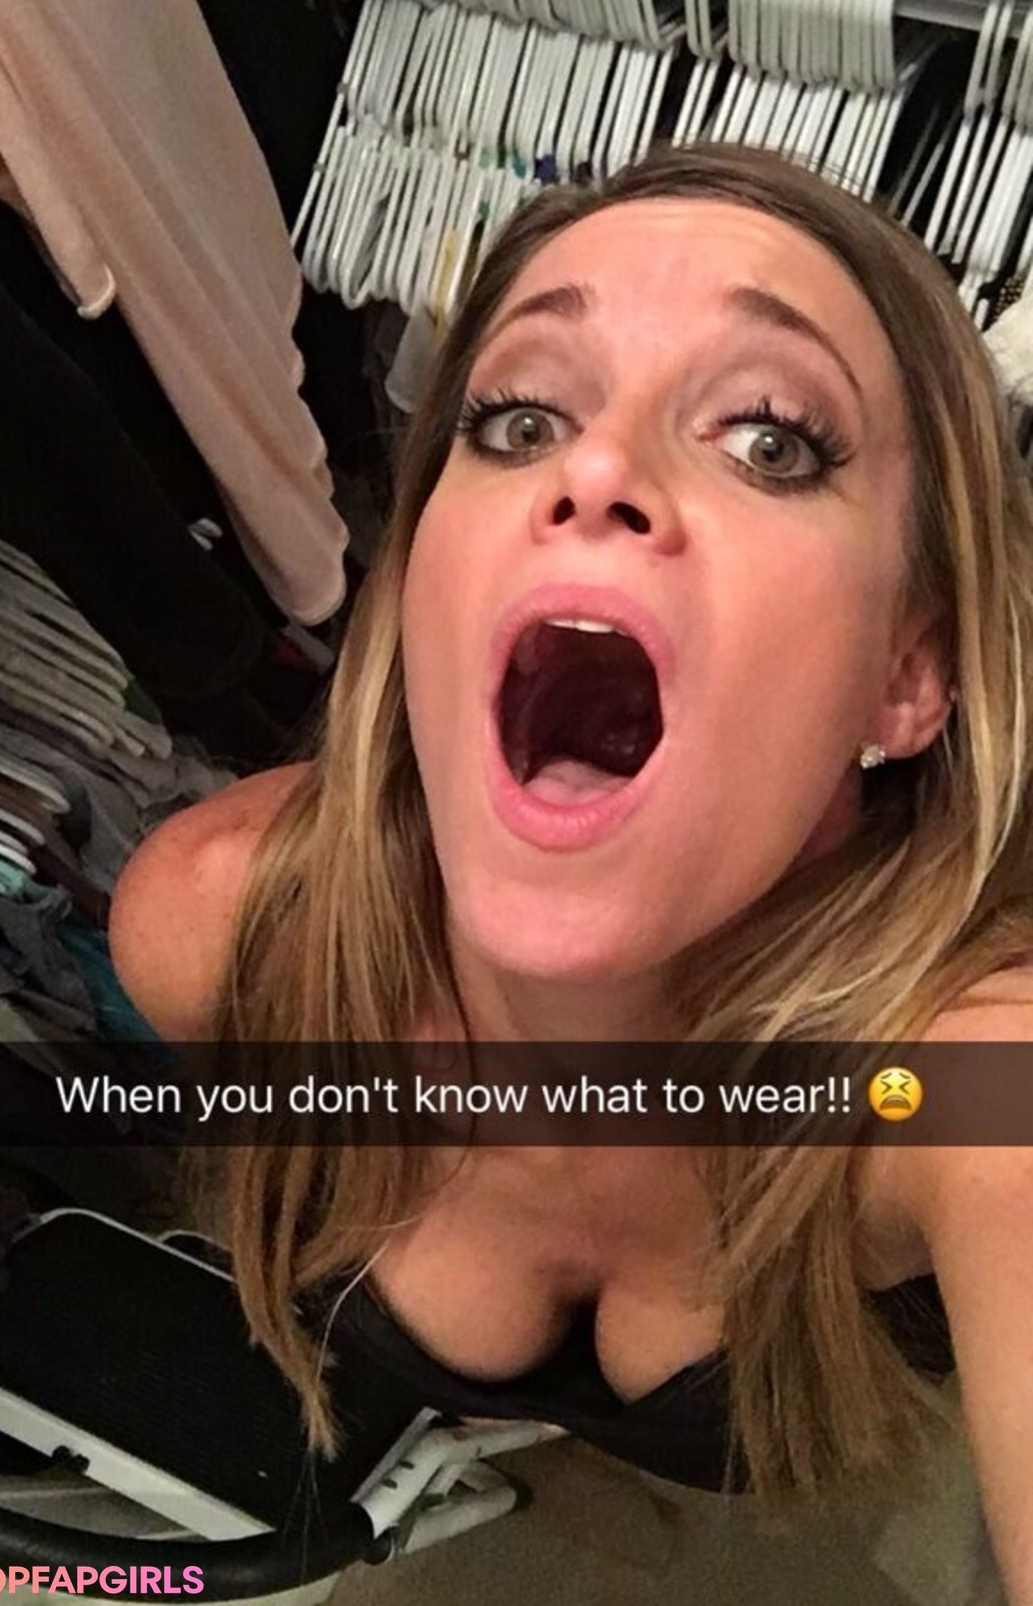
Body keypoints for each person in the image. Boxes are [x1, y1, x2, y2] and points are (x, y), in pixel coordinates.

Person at [110, 144, 1033, 1600]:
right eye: (522, 418)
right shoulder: (217, 930)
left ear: (908, 673)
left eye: (772, 441)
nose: (595, 468)